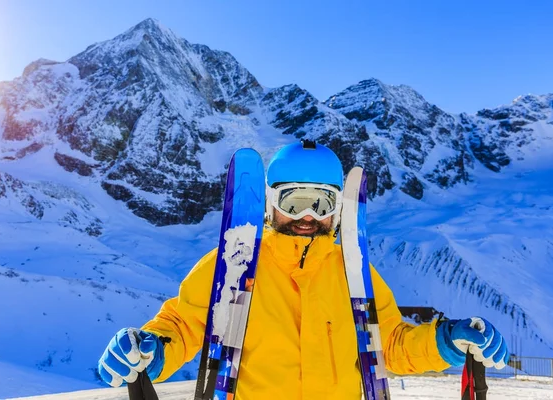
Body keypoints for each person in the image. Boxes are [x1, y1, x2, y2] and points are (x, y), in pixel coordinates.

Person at [98, 140, 509, 398]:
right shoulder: (232, 264)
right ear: (270, 202)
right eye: (295, 202)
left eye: (323, 203)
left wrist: (444, 343)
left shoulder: (353, 269)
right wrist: (150, 347)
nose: (308, 216)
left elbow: (390, 346)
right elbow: (184, 327)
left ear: (339, 207)